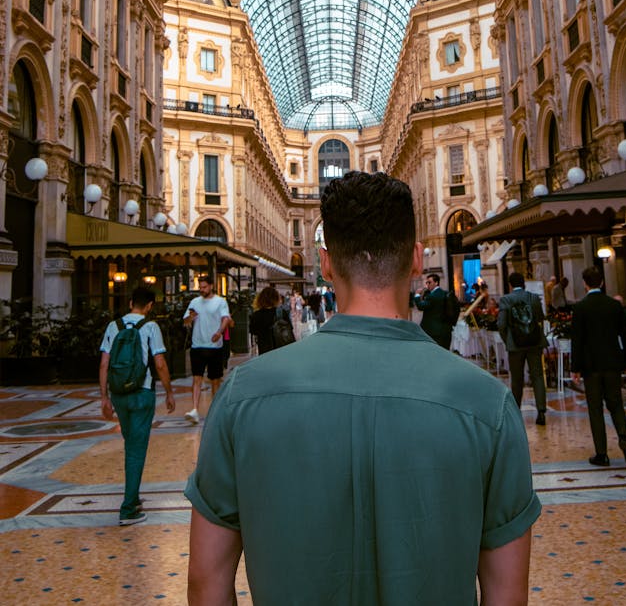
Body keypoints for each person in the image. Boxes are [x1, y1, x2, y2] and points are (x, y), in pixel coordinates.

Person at [185, 171, 539, 606]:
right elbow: (507, 596)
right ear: (415, 258)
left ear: (326, 262)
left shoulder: (241, 397)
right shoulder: (489, 405)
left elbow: (206, 586)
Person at [99, 285, 175, 525]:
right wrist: (169, 392)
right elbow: (160, 363)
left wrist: (104, 397)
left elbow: (104, 364)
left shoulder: (114, 326)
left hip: (119, 394)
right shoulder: (150, 327)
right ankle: (128, 508)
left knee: (131, 444)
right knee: (136, 449)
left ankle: (133, 495)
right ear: (150, 306)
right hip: (142, 393)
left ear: (131, 302)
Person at [570, 266, 626, 468]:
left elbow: (577, 340)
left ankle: (602, 453)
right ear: (602, 283)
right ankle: (623, 437)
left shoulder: (580, 308)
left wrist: (576, 368)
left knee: (595, 408)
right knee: (616, 403)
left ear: (585, 283)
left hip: (591, 366)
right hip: (613, 362)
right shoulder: (614, 306)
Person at [498, 272, 548, 425]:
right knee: (538, 376)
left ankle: (516, 411)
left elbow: (501, 324)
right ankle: (541, 411)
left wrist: (508, 341)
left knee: (517, 378)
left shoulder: (506, 300)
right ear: (524, 283)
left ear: (510, 284)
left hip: (516, 345)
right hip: (534, 342)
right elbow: (540, 317)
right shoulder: (533, 298)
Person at [183, 277, 231, 424]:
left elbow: (226, 319)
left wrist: (219, 332)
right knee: (197, 378)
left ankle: (214, 410)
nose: (202, 289)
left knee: (215, 380)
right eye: (200, 287)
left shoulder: (220, 302)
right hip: (197, 346)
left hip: (215, 347)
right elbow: (185, 322)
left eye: (204, 287)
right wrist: (190, 317)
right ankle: (195, 409)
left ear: (211, 286)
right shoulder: (194, 303)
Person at [413, 272, 453, 349]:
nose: (427, 284)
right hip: (442, 329)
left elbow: (421, 306)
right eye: (427, 282)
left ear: (436, 282)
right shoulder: (442, 292)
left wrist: (417, 295)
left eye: (429, 282)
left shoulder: (433, 295)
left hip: (433, 330)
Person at [249, 286, 285, 354]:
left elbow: (252, 331)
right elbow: (289, 328)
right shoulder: (281, 312)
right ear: (276, 298)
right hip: (281, 348)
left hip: (264, 348)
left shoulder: (256, 315)